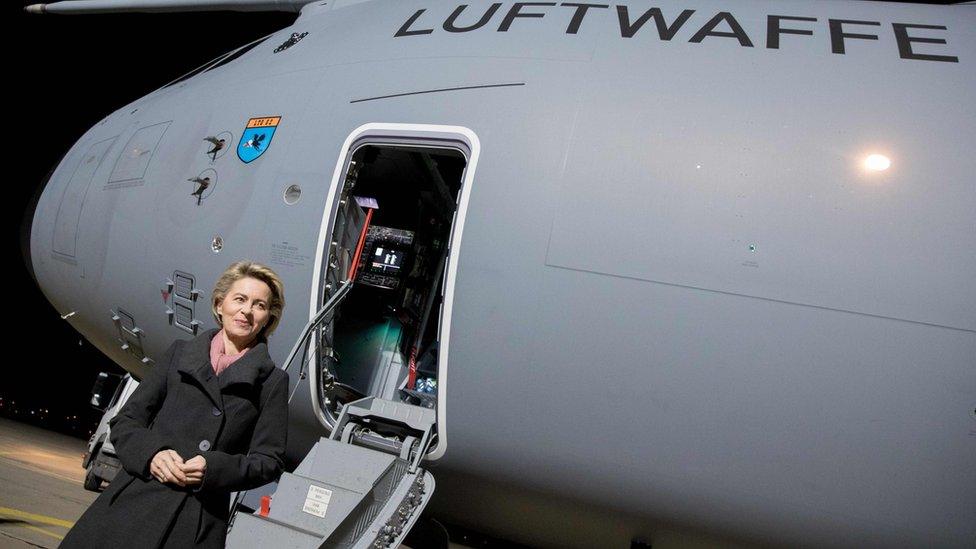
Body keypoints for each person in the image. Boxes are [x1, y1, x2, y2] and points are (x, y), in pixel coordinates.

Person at [61, 261, 288, 549]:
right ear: (220, 305)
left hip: (195, 520)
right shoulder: (179, 354)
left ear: (268, 318)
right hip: (133, 503)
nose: (246, 310)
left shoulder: (272, 382)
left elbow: (269, 461)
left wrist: (213, 468)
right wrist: (152, 454)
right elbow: (126, 421)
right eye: (239, 299)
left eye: (259, 305)